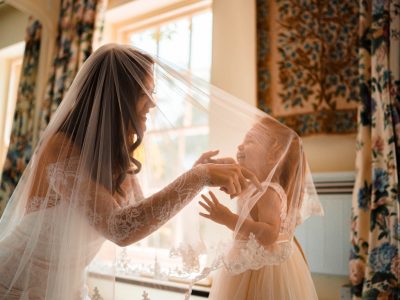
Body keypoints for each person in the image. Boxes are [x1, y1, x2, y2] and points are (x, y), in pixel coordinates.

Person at [0, 44, 260, 299]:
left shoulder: (119, 157)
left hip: (68, 288)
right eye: (146, 92)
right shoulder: (61, 148)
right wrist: (200, 175)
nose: (153, 103)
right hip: (16, 285)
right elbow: (120, 229)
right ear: (119, 96)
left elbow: (141, 214)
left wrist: (196, 173)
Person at [197, 116, 323, 299]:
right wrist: (218, 167)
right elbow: (240, 188)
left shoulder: (269, 192)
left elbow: (269, 235)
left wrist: (228, 219)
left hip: (262, 270)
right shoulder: (253, 187)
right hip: (245, 262)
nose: (240, 146)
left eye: (249, 142)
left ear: (272, 155)